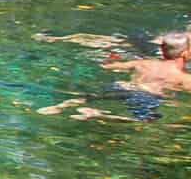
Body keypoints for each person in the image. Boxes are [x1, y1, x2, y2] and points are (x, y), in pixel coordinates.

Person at [38, 30, 191, 120]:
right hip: (146, 97)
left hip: (123, 86)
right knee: (148, 121)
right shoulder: (183, 78)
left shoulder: (144, 63)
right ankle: (99, 114)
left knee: (91, 97)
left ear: (163, 51)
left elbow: (108, 67)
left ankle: (62, 106)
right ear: (185, 53)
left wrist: (111, 58)